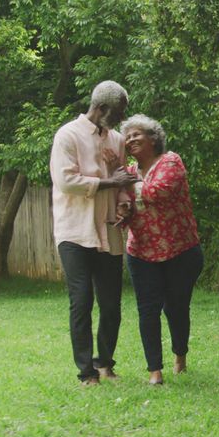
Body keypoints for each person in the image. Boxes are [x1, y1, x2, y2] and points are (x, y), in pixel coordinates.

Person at [50, 80, 137, 386]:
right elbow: (67, 181)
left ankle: (105, 364)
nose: (120, 119)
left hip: (109, 232)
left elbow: (124, 181)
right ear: (100, 108)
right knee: (82, 300)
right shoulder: (68, 136)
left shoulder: (116, 140)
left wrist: (124, 203)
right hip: (74, 231)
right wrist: (109, 183)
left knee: (112, 303)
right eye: (117, 112)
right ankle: (87, 373)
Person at [116, 114, 203, 386]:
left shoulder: (170, 161)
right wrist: (123, 211)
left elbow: (157, 192)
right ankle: (155, 370)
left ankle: (180, 355)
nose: (130, 140)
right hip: (141, 251)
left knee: (176, 308)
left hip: (180, 250)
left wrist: (127, 184)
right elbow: (127, 205)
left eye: (136, 134)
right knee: (148, 309)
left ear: (153, 138)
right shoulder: (128, 172)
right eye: (127, 137)